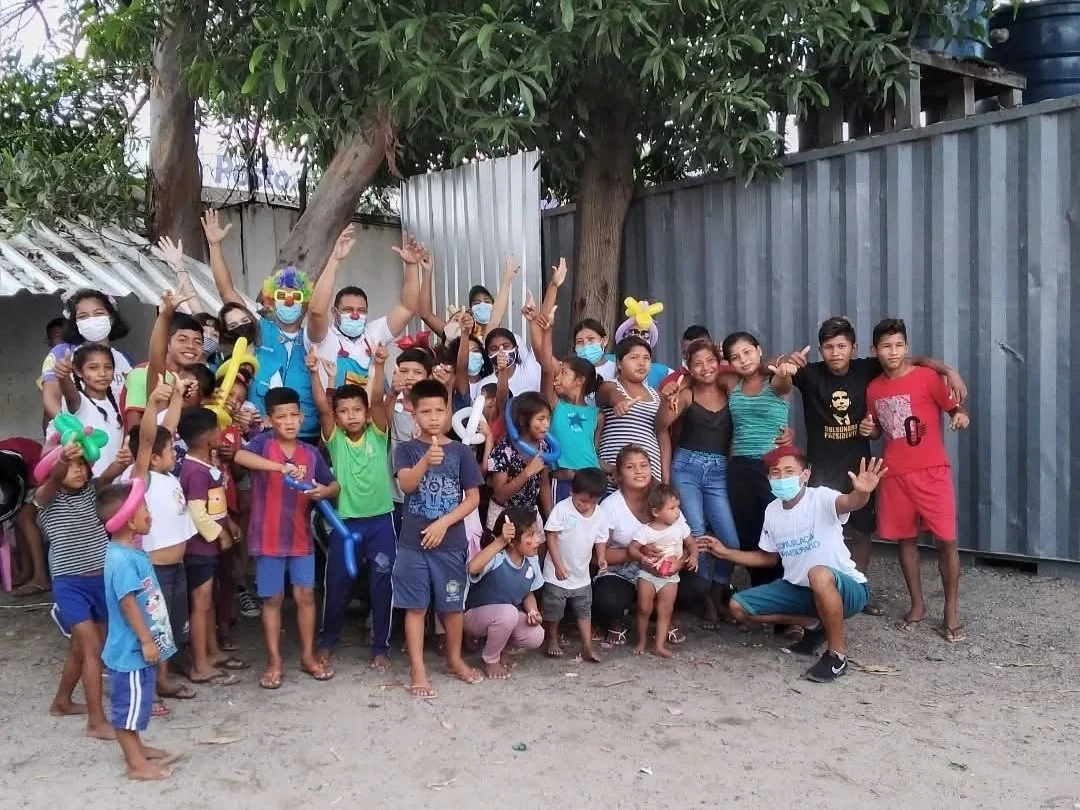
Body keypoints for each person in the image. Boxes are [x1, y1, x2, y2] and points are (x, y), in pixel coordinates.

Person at [787, 315, 968, 615]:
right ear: (821, 350)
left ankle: (859, 591)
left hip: (868, 468)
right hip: (832, 469)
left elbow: (914, 361)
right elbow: (777, 376)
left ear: (856, 348)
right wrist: (783, 361)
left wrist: (948, 370)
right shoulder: (816, 374)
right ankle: (820, 593)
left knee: (863, 532)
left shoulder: (870, 368)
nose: (836, 352)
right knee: (820, 531)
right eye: (829, 347)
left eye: (842, 346)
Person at [709, 448, 886, 683]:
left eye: (789, 471)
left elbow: (849, 502)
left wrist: (862, 493)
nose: (782, 477)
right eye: (775, 473)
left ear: (805, 475)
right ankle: (814, 624)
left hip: (848, 589)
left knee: (818, 574)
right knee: (738, 607)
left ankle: (837, 655)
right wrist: (726, 553)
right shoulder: (772, 511)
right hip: (802, 590)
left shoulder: (821, 497)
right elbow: (768, 558)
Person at [202, 210, 354, 441]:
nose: (290, 302)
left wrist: (335, 260)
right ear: (271, 301)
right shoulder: (259, 329)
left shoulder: (313, 338)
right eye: (282, 296)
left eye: (296, 297)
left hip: (306, 438)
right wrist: (215, 247)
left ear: (305, 301)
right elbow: (227, 291)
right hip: (259, 436)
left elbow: (318, 312)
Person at [864, 318, 970, 642]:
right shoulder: (873, 388)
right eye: (886, 346)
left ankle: (950, 611)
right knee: (904, 539)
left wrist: (960, 416)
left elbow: (954, 408)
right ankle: (918, 605)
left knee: (947, 540)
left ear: (906, 347)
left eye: (898, 345)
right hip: (894, 474)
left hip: (933, 471)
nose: (893, 352)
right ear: (875, 350)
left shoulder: (926, 377)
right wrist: (871, 431)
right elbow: (881, 427)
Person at [96, 391, 179, 779]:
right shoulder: (121, 558)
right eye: (144, 511)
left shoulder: (131, 549)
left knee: (138, 703)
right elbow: (129, 604)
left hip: (137, 647)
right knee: (127, 707)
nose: (149, 516)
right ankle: (134, 765)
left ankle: (140, 750)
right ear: (130, 521)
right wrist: (147, 641)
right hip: (130, 649)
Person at [233, 387, 340, 688]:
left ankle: (307, 656)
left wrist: (324, 491)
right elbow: (240, 455)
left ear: (303, 416)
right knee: (273, 599)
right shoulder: (262, 444)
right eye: (282, 417)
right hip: (267, 538)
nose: (290, 421)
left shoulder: (310, 453)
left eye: (294, 415)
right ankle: (274, 661)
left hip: (300, 537)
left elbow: (333, 486)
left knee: (305, 597)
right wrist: (280, 468)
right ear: (270, 420)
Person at [36, 424, 133, 737]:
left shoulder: (92, 492)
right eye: (70, 466)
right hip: (71, 585)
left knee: (83, 650)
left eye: (81, 465)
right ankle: (96, 721)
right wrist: (63, 458)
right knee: (92, 650)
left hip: (101, 581)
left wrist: (124, 459)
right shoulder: (45, 501)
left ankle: (62, 702)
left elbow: (110, 474)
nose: (77, 471)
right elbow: (50, 482)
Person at [307, 342, 398, 672]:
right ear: (338, 416)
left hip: (380, 522)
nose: (351, 416)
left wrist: (379, 365)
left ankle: (381, 645)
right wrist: (313, 371)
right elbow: (321, 405)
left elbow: (376, 399)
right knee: (337, 584)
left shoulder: (378, 435)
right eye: (343, 411)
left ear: (366, 413)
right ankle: (327, 639)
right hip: (346, 525)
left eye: (356, 410)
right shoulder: (335, 439)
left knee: (382, 582)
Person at [393, 379, 485, 698]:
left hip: (450, 543)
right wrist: (424, 462)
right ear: (413, 413)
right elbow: (405, 485)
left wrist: (444, 524)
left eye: (439, 410)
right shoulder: (406, 449)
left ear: (448, 412)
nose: (433, 417)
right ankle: (418, 669)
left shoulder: (460, 451)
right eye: (425, 411)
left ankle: (454, 660)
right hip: (412, 545)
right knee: (415, 607)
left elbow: (472, 498)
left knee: (452, 607)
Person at [122, 379, 198, 703]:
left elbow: (168, 427)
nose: (174, 453)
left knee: (171, 624)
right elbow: (151, 437)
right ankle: (151, 687)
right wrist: (151, 404)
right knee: (156, 627)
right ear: (152, 458)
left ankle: (163, 681)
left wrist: (178, 396)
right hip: (155, 571)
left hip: (177, 567)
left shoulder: (166, 475)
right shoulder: (142, 477)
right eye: (168, 451)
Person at [657, 339, 740, 627]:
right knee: (697, 533)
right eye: (697, 363)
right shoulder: (686, 394)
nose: (705, 368)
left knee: (730, 539)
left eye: (710, 361)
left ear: (719, 362)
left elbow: (758, 371)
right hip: (686, 468)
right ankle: (705, 599)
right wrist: (666, 475)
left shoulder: (729, 389)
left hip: (719, 472)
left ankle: (718, 590)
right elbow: (661, 427)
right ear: (688, 368)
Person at [722, 331, 797, 589]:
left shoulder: (774, 380)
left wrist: (784, 368)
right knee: (750, 532)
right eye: (735, 357)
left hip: (772, 467)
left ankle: (788, 594)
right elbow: (703, 370)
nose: (743, 360)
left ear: (759, 350)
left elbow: (784, 383)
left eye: (748, 352)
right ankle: (760, 595)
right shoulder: (732, 384)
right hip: (740, 468)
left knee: (781, 529)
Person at [307, 227, 420, 392]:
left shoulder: (373, 334)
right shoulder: (324, 338)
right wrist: (334, 260)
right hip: (333, 414)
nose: (354, 315)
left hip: (372, 415)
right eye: (348, 309)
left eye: (361, 310)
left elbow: (407, 307)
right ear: (334, 312)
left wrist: (411, 266)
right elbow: (316, 311)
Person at [177, 407, 243, 685]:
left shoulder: (207, 466)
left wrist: (228, 522)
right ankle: (200, 664)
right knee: (201, 604)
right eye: (217, 429)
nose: (222, 433)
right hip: (199, 549)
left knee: (209, 602)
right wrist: (220, 534)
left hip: (210, 548)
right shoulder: (195, 470)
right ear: (207, 437)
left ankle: (212, 652)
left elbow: (214, 504)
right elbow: (197, 512)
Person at [463, 507, 545, 679]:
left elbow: (528, 594)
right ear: (512, 541)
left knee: (536, 634)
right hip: (473, 617)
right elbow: (473, 567)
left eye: (537, 533)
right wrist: (500, 540)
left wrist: (532, 611)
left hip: (505, 617)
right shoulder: (497, 556)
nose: (538, 540)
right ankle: (490, 659)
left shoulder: (531, 561)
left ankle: (502, 650)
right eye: (530, 535)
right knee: (508, 613)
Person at [542, 468, 610, 661]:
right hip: (556, 573)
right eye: (582, 501)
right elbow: (551, 537)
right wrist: (557, 564)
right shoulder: (561, 509)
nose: (587, 506)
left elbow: (601, 539)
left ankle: (587, 646)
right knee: (554, 609)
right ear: (571, 491)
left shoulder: (601, 514)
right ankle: (552, 638)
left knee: (584, 610)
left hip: (582, 574)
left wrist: (602, 558)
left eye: (593, 502)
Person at [592, 445, 655, 645]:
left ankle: (658, 614)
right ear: (618, 476)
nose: (639, 471)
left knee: (695, 585)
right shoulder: (609, 506)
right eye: (631, 467)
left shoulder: (661, 498)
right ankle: (616, 617)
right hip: (621, 572)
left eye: (644, 465)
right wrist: (636, 553)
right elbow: (597, 556)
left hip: (657, 569)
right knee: (608, 600)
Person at [40, 289, 133, 421]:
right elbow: (51, 395)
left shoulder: (123, 358)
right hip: (76, 437)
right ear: (76, 323)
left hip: (118, 434)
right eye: (83, 316)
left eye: (98, 313)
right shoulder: (62, 353)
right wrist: (66, 425)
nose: (91, 320)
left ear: (111, 318)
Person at [629, 484, 697, 658]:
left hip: (671, 578)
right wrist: (642, 557)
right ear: (656, 512)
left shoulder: (680, 527)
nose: (677, 512)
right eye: (672, 508)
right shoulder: (646, 531)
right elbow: (633, 548)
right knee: (644, 609)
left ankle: (659, 645)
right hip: (648, 576)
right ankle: (642, 641)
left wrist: (694, 557)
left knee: (665, 611)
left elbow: (691, 544)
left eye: (678, 507)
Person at [120, 310, 204, 430]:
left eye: (197, 342)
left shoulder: (194, 380)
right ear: (167, 343)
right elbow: (133, 430)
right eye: (182, 340)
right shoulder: (141, 373)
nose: (191, 346)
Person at [597, 338, 662, 489]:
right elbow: (609, 393)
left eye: (646, 358)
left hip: (650, 475)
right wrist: (619, 401)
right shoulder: (610, 386)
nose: (642, 363)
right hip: (614, 473)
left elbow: (662, 435)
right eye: (634, 357)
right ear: (619, 363)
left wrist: (664, 479)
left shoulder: (657, 395)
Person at [52, 343, 125, 475]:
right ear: (79, 371)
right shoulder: (79, 401)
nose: (102, 373)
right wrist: (64, 376)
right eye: (93, 368)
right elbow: (69, 392)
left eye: (108, 367)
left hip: (118, 484)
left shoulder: (118, 401)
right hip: (91, 485)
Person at [487, 392, 553, 530]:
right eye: (541, 419)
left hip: (530, 513)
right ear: (523, 420)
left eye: (548, 419)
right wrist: (527, 472)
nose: (546, 425)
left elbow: (544, 486)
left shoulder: (544, 446)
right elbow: (500, 495)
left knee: (536, 550)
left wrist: (551, 520)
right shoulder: (503, 450)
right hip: (504, 515)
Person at [475, 328, 544, 397]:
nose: (501, 351)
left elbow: (538, 346)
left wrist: (533, 321)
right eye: (494, 348)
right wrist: (502, 371)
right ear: (488, 354)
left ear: (516, 349)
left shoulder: (530, 369)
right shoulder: (485, 385)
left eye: (506, 346)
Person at [659, 325, 712, 392]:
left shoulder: (725, 373)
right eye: (686, 353)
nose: (692, 358)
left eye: (697, 352)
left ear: (712, 347)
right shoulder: (671, 384)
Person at [572, 318, 617, 382]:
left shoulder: (616, 369)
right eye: (579, 341)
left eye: (591, 339)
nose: (585, 346)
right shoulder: (570, 371)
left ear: (604, 341)